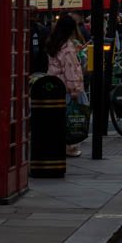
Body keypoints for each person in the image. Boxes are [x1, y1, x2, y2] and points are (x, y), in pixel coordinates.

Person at [45, 13, 87, 158]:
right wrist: (75, 91)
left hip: (54, 84)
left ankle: (56, 144)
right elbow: (70, 70)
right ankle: (70, 146)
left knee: (57, 117)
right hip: (66, 88)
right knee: (71, 117)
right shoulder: (67, 47)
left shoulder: (53, 42)